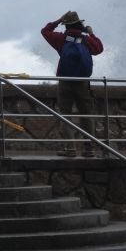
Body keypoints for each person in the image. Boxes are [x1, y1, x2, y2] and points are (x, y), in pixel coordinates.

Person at [41, 10, 104, 157]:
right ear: (79, 24)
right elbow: (99, 48)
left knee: (65, 115)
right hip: (82, 82)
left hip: (65, 82)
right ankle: (89, 148)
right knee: (86, 115)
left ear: (66, 25)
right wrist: (91, 33)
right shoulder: (86, 40)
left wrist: (57, 21)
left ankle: (70, 148)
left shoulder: (61, 39)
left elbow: (45, 31)